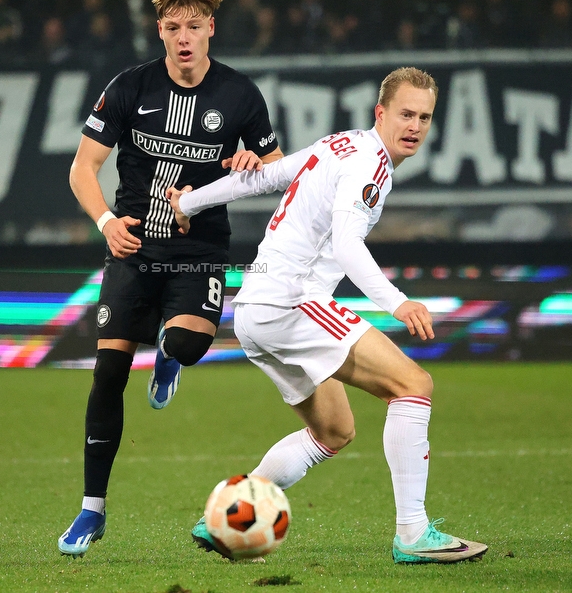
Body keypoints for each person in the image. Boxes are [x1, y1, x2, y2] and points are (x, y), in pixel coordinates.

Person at [167, 67, 488, 564]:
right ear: (380, 113)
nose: (416, 126)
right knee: (413, 385)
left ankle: (228, 514)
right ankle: (413, 534)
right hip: (292, 299)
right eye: (405, 113)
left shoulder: (341, 144)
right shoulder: (370, 165)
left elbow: (269, 175)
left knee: (333, 431)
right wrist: (398, 302)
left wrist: (189, 201)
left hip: (254, 309)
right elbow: (345, 242)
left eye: (425, 117)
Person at [59, 0, 283, 557]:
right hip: (134, 245)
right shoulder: (129, 87)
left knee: (184, 345)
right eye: (172, 27)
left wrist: (251, 161)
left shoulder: (239, 95)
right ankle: (91, 512)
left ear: (212, 27)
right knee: (108, 373)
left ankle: (169, 357)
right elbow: (83, 168)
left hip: (199, 252)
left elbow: (278, 167)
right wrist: (107, 222)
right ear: (160, 31)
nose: (183, 38)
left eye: (194, 26)